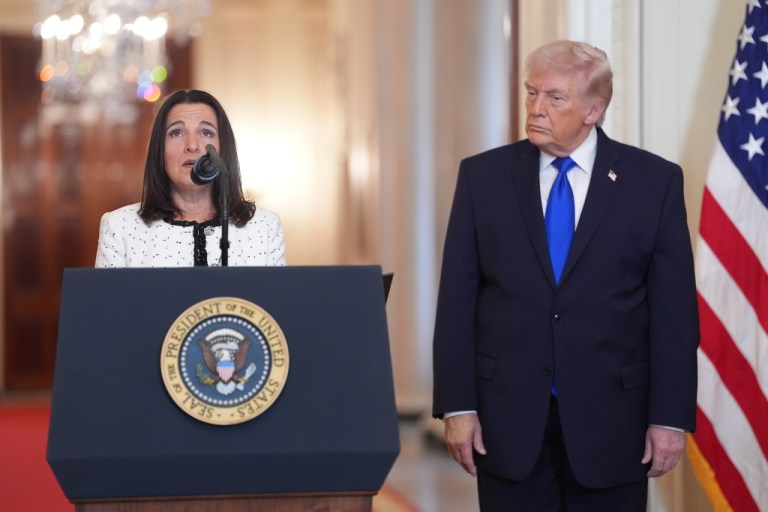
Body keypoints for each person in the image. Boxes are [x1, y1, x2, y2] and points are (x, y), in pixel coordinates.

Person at [432, 40, 699, 511]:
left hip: (615, 427)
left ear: (593, 109)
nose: (536, 109)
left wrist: (670, 419)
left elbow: (674, 314)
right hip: (506, 426)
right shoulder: (483, 178)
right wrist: (458, 406)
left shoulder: (653, 183)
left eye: (555, 98)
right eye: (532, 93)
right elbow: (457, 302)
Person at [95, 89, 286, 268]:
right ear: (159, 149)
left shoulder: (264, 225)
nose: (192, 146)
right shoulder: (120, 226)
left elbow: (275, 302)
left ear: (223, 148)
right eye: (176, 133)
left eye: (206, 133)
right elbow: (108, 302)